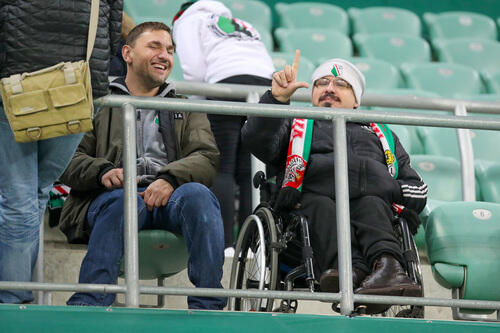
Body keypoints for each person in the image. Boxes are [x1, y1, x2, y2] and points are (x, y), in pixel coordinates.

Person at [241, 51, 427, 313]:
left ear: (356, 102)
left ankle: (388, 269)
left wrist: (387, 187)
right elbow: (257, 141)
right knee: (321, 199)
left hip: (371, 215)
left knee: (372, 202)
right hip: (305, 225)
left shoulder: (383, 136)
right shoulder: (294, 125)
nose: (329, 88)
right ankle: (350, 270)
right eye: (321, 83)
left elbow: (417, 191)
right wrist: (276, 100)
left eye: (341, 84)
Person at [58, 21, 226, 310]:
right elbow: (66, 158)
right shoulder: (98, 102)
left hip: (169, 197)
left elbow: (206, 156)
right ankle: (91, 302)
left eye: (170, 50)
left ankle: (208, 306)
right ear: (127, 53)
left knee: (199, 196)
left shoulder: (185, 106)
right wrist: (103, 172)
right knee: (124, 203)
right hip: (109, 197)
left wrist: (171, 179)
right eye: (155, 46)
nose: (165, 55)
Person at [0, 0, 123, 304]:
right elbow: (114, 28)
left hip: (16, 85)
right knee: (36, 194)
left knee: (20, 198)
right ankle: (17, 294)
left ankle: (13, 300)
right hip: (78, 86)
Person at [172, 0, 275, 254]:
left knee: (221, 166)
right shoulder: (243, 23)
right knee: (249, 169)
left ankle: (225, 244)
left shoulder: (188, 20)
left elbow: (193, 70)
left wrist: (197, 111)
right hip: (264, 86)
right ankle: (254, 246)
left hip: (225, 83)